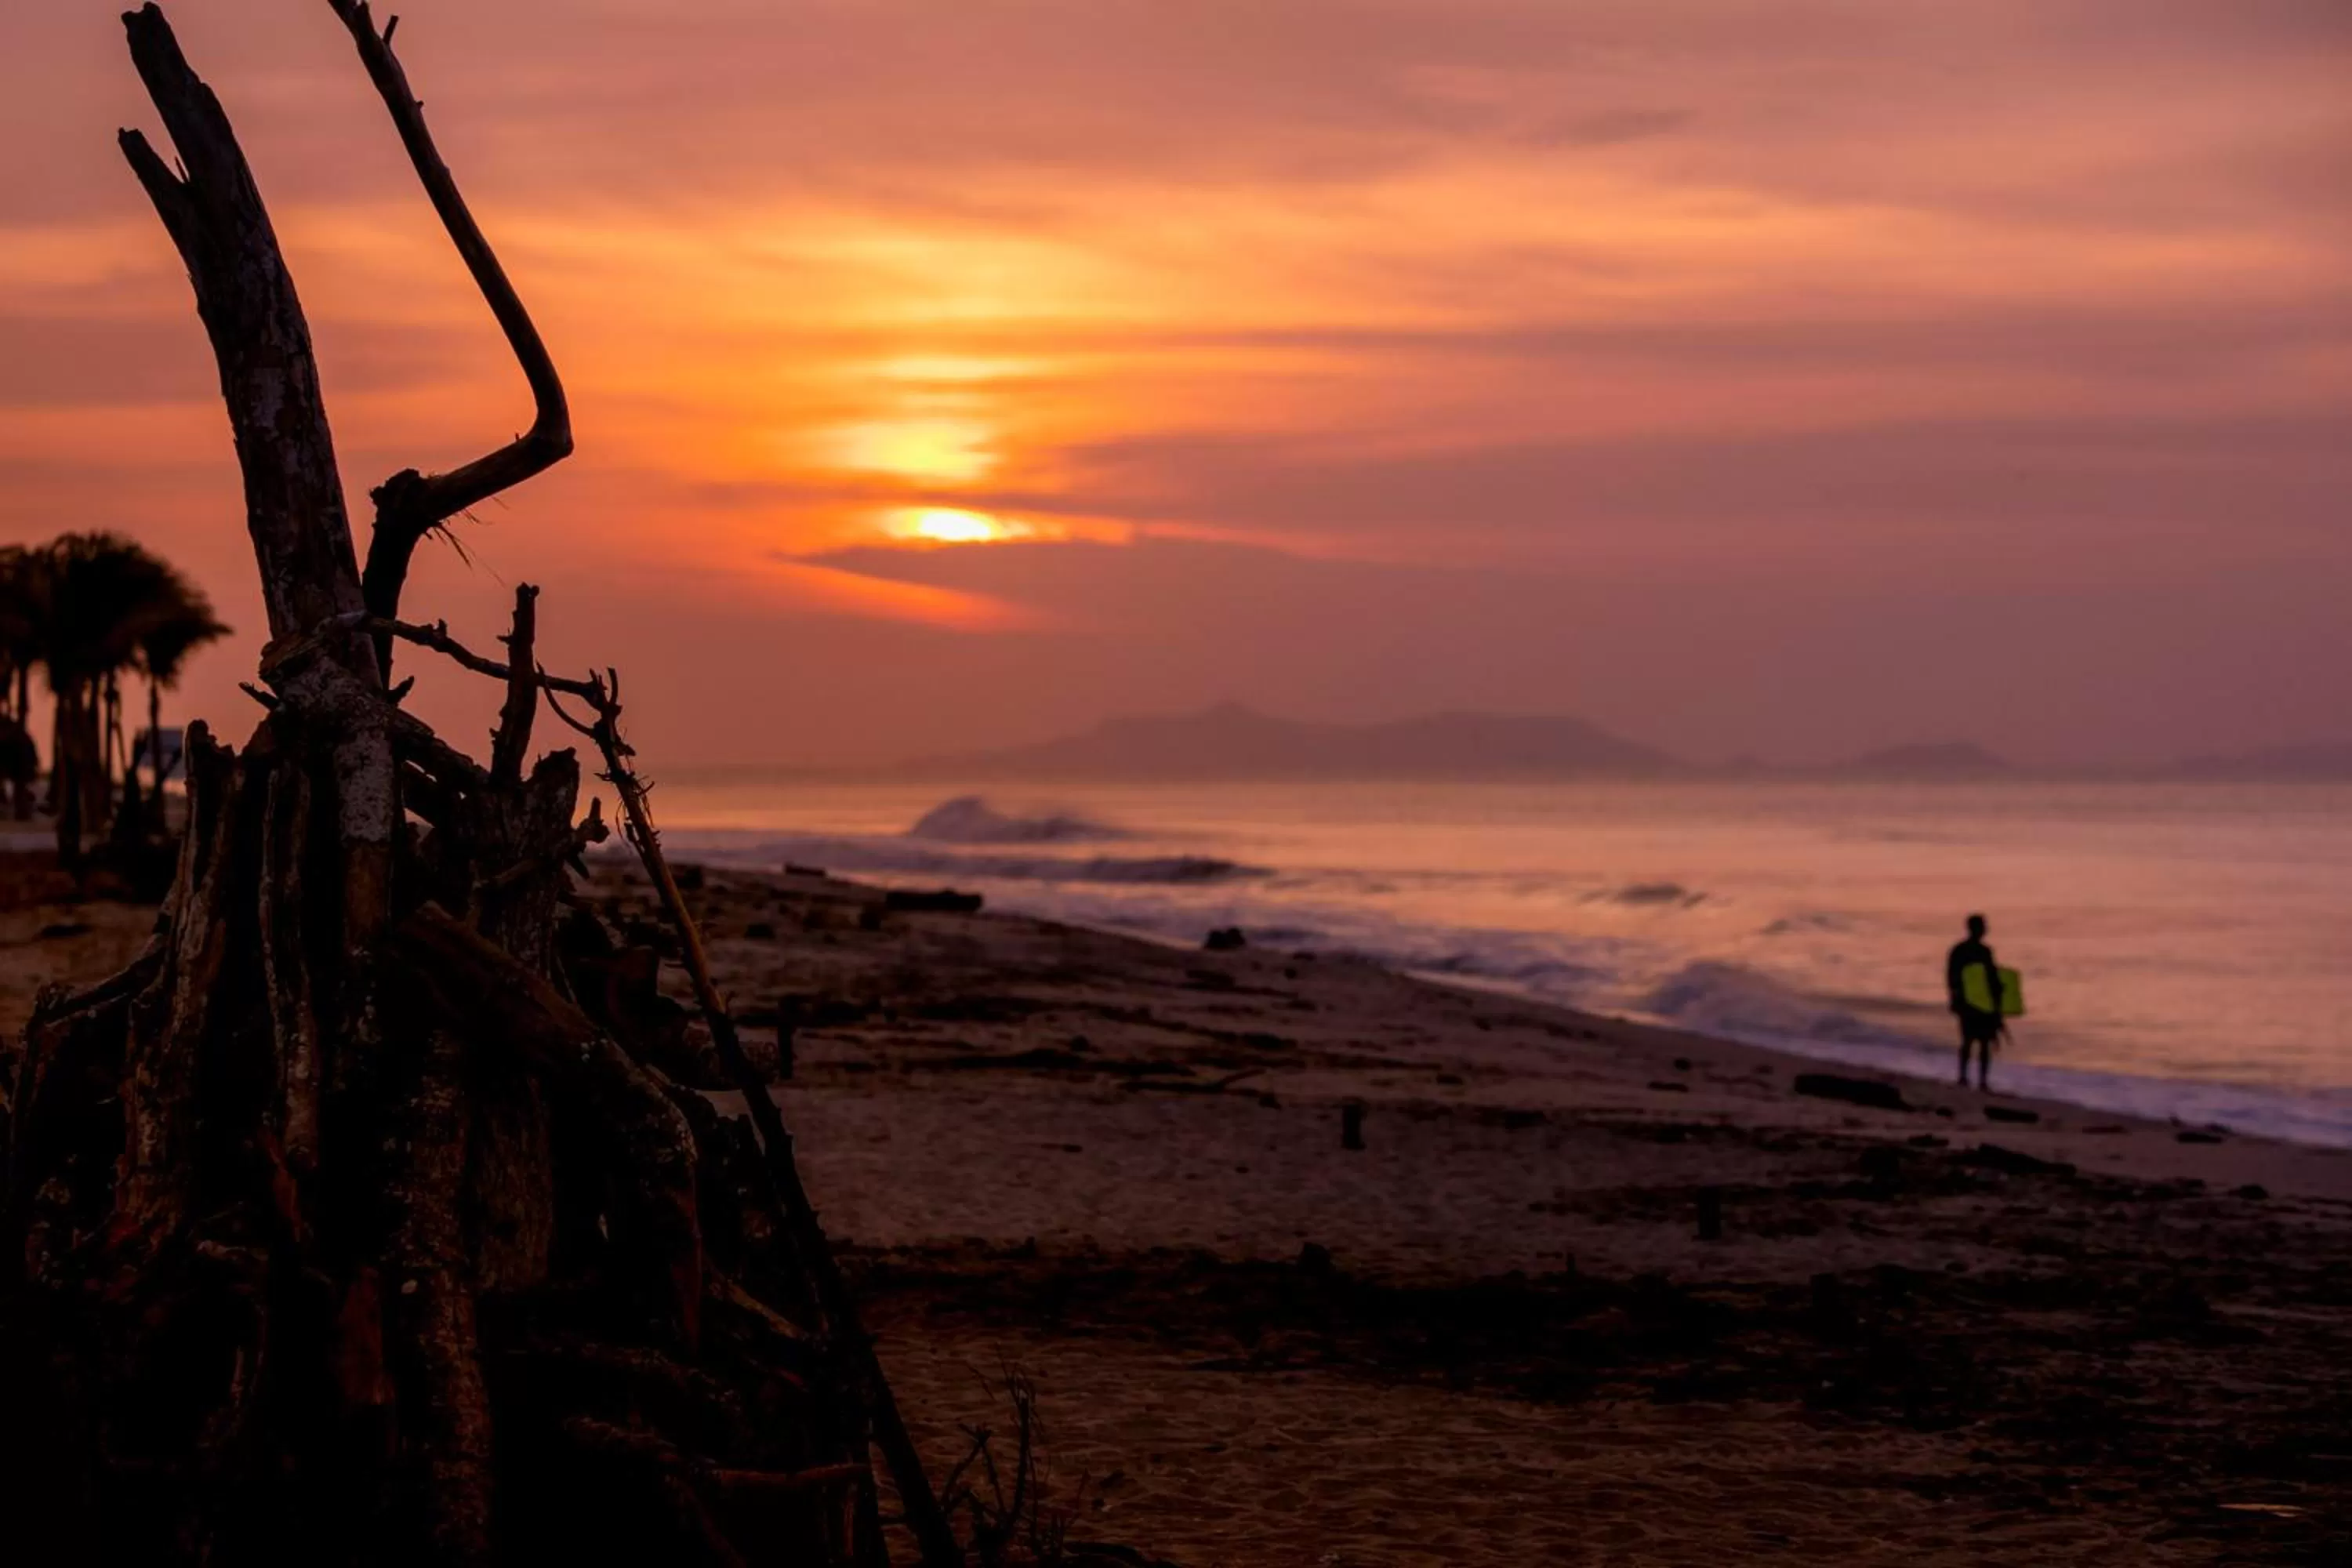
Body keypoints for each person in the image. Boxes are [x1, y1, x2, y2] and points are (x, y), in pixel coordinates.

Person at [1947, 913, 2003, 1089]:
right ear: (1978, 929)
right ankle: (1981, 1081)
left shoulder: (1959, 950)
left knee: (1969, 1040)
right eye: (1983, 927)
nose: (1985, 930)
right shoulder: (1983, 952)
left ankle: (1965, 1078)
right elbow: (1992, 978)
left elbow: (1952, 978)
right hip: (1980, 1002)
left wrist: (1955, 999)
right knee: (1981, 1042)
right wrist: (1998, 999)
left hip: (1968, 1001)